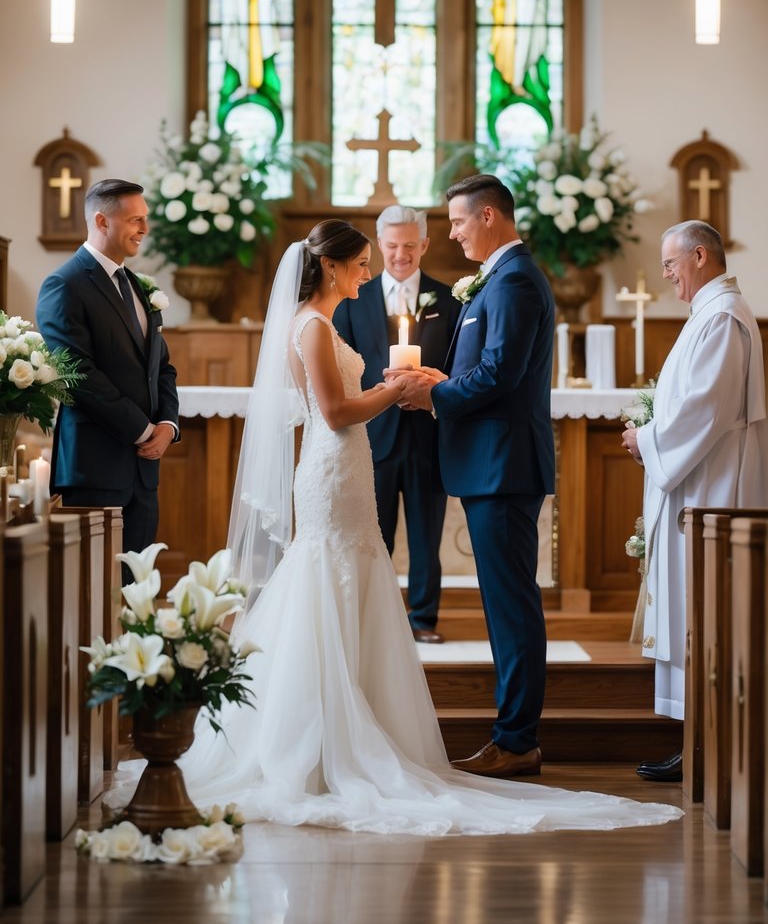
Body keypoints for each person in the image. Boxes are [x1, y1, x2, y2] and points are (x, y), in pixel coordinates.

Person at [179, 219, 680, 835]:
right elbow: (334, 412)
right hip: (335, 466)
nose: (371, 272)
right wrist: (399, 390)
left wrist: (407, 389)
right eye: (362, 263)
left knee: (354, 575)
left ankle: (355, 721)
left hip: (347, 465)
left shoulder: (322, 322)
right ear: (332, 267)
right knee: (326, 579)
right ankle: (316, 738)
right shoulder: (310, 325)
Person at [395, 174, 555, 780]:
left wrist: (433, 396)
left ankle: (517, 740)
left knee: (512, 608)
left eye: (459, 222)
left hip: (504, 465)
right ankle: (514, 736)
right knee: (504, 604)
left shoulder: (513, 280)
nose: (454, 233)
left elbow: (500, 375)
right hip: (493, 463)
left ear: (489, 216)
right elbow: (486, 369)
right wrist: (439, 382)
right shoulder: (499, 279)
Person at [621, 220, 768, 783]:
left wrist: (647, 438)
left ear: (699, 255)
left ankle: (706, 745)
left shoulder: (723, 318)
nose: (665, 275)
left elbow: (706, 408)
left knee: (701, 608)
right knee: (691, 609)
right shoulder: (710, 314)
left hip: (712, 488)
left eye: (670, 263)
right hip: (697, 481)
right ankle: (696, 740)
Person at [334, 205, 460, 642]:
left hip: (429, 433)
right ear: (378, 245)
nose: (400, 254)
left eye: (410, 246)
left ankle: (423, 619)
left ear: (424, 244)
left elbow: (456, 365)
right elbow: (344, 363)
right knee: (374, 532)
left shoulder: (450, 300)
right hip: (372, 434)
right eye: (391, 246)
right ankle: (376, 620)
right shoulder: (353, 299)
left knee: (427, 535)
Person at [36, 179, 179, 553]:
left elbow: (160, 366)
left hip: (143, 473)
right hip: (95, 468)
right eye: (135, 220)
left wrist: (167, 424)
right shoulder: (64, 285)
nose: (145, 230)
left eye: (144, 219)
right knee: (94, 592)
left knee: (136, 586)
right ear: (102, 221)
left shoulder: (136, 285)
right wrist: (142, 428)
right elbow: (78, 374)